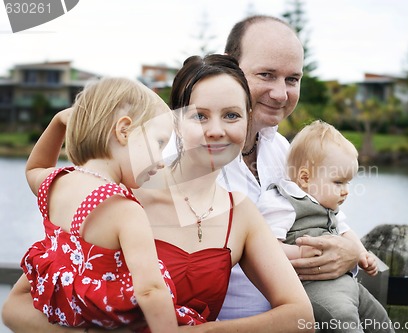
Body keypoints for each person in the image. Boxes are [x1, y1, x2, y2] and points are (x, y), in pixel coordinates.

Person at [2, 54, 315, 333]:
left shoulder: (241, 214)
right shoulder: (119, 195)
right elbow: (15, 307)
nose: (217, 130)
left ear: (248, 121)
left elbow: (300, 317)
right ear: (174, 123)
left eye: (232, 115)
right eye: (200, 116)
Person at [217, 15, 360, 320]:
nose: (281, 93)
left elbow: (328, 216)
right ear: (230, 68)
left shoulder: (285, 150)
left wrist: (350, 255)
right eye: (266, 74)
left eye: (292, 79)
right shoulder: (187, 153)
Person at [17, 77, 187, 332]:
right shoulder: (125, 211)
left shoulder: (55, 184)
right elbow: (150, 290)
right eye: (160, 143)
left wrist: (58, 122)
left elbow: (35, 167)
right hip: (119, 323)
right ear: (124, 131)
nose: (162, 161)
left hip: (68, 321)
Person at [259, 120, 394, 332]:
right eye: (338, 182)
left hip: (347, 285)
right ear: (305, 178)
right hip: (313, 289)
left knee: (379, 319)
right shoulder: (283, 202)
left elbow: (345, 231)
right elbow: (266, 249)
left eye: (348, 183)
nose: (346, 190)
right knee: (343, 320)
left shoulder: (328, 207)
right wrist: (300, 251)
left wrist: (362, 254)